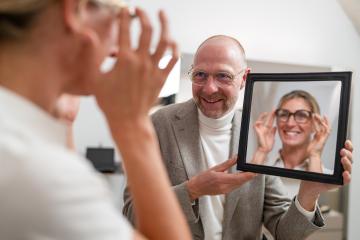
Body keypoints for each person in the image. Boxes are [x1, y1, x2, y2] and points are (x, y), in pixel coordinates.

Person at [122, 35, 354, 240]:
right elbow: (132, 214)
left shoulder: (259, 136)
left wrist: (309, 191)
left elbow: (286, 233)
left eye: (223, 76)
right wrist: (192, 190)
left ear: (244, 79)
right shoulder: (159, 124)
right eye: (200, 75)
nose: (209, 88)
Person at [0, 0, 192, 239]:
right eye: (123, 16)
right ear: (75, 10)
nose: (115, 50)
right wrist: (132, 125)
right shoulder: (39, 167)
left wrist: (65, 122)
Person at [253, 90, 333, 174]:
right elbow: (246, 186)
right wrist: (262, 150)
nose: (290, 123)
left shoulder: (330, 178)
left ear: (315, 124)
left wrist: (314, 155)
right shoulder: (262, 167)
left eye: (301, 115)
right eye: (284, 114)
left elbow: (316, 187)